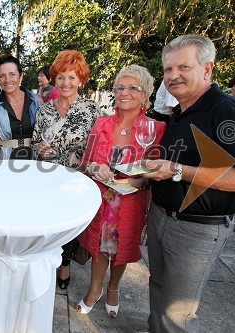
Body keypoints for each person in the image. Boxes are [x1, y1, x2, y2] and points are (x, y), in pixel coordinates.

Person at [143, 34, 235, 332]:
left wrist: (177, 170)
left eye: (183, 67)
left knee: (178, 315)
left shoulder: (231, 112)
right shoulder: (178, 112)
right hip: (160, 217)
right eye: (168, 70)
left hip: (198, 229)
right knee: (158, 291)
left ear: (207, 69)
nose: (173, 76)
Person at [76, 65, 166, 317]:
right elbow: (84, 162)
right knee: (99, 247)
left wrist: (141, 181)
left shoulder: (155, 128)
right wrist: (95, 167)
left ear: (146, 94)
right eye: (120, 87)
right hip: (103, 198)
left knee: (121, 247)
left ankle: (113, 288)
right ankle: (95, 290)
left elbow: (157, 170)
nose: (124, 92)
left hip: (132, 201)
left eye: (133, 88)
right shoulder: (102, 123)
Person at [32, 49, 102, 290]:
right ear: (54, 80)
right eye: (61, 77)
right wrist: (39, 150)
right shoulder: (44, 110)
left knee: (69, 225)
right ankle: (47, 260)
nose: (66, 83)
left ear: (81, 80)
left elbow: (98, 147)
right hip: (48, 178)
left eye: (72, 77)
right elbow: (34, 142)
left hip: (77, 179)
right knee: (49, 222)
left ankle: (64, 264)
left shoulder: (91, 110)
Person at [0, 55, 39, 159]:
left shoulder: (36, 102)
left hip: (35, 159)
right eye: (2, 76)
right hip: (6, 161)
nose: (7, 80)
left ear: (21, 76)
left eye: (12, 74)